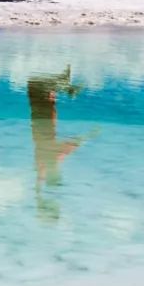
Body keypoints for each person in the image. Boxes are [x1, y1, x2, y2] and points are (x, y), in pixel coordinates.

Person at [27, 66, 98, 223]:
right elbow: (38, 187)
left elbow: (76, 143)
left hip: (44, 113)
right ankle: (66, 79)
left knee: (44, 83)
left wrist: (91, 134)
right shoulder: (44, 165)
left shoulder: (54, 159)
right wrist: (41, 206)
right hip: (39, 115)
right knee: (38, 83)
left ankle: (67, 84)